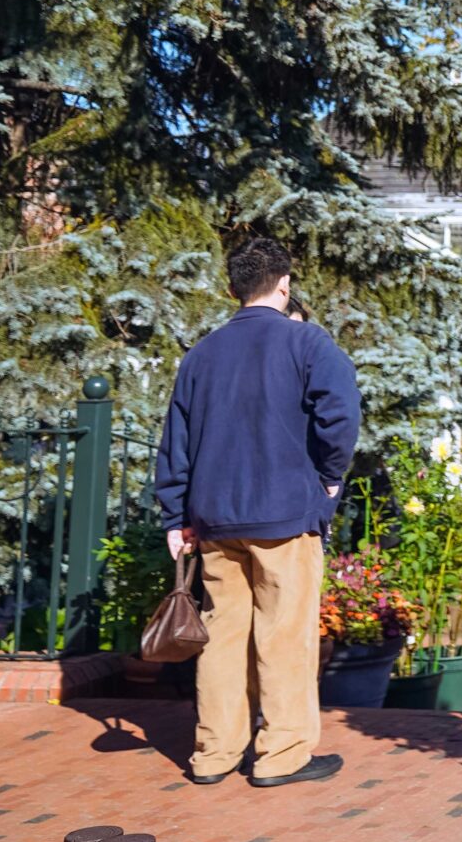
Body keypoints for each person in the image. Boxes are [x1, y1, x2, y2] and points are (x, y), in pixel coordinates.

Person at [153, 238, 360, 788]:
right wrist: (330, 479)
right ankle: (282, 755)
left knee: (222, 639)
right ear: (285, 284)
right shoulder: (308, 343)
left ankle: (214, 754)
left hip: (215, 521)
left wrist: (175, 516)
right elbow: (340, 418)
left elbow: (177, 441)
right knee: (284, 637)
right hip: (286, 516)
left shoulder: (201, 354)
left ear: (232, 290)